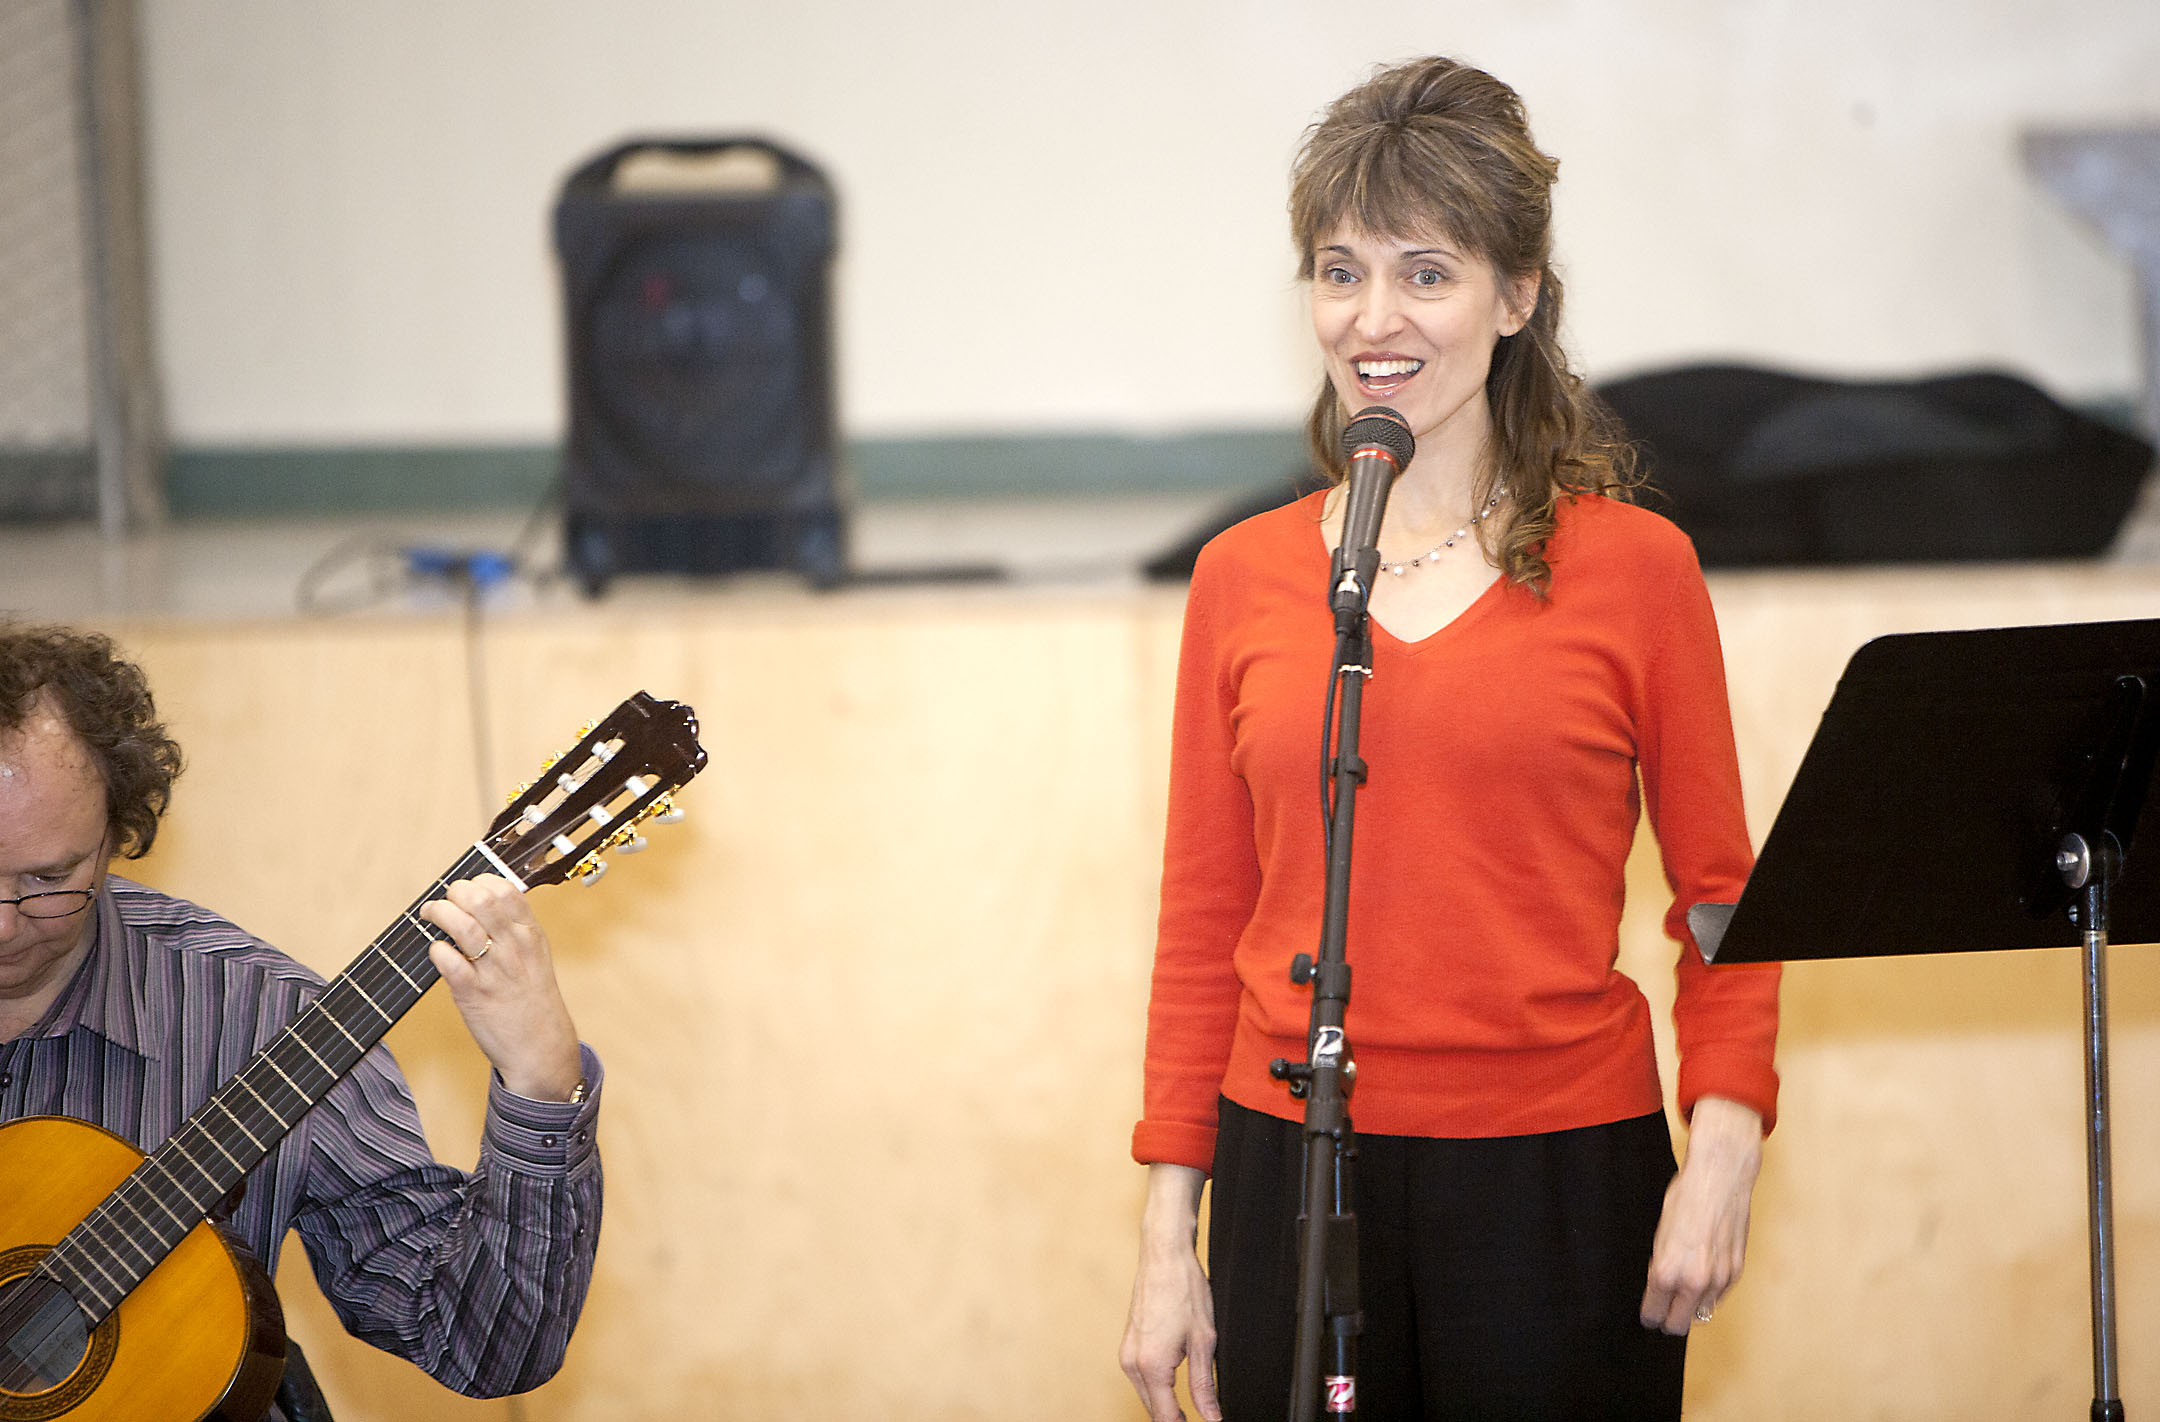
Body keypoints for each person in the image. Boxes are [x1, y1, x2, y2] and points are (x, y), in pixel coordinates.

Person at [1119, 57, 1781, 1421]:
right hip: (1286, 1168)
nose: (1375, 316)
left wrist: (1721, 1146)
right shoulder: (1242, 578)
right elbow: (1204, 923)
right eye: (1340, 269)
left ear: (1518, 295)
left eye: (1427, 272)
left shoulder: (1637, 569)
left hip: (1554, 1179)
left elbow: (1726, 898)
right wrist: (1163, 1240)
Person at [0, 622, 601, 1414]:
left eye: (49, 876)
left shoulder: (265, 1022)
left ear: (119, 832)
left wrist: (540, 1085)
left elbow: (485, 1347)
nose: (5, 923)